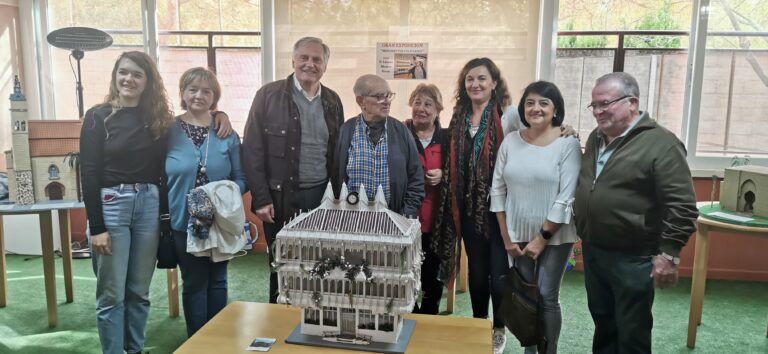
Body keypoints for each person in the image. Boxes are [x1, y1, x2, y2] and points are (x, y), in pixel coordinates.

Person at [80, 51, 232, 354]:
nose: (129, 79)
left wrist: (219, 114)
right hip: (112, 204)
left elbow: (193, 124)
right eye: (124, 72)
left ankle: (134, 349)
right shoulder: (98, 117)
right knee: (112, 294)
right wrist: (97, 226)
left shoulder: (158, 121)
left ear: (148, 81)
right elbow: (89, 172)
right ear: (115, 75)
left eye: (138, 74)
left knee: (139, 291)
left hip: (148, 205)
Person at [573, 72, 698, 354]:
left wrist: (669, 254)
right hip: (595, 250)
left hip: (634, 257)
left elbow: (682, 206)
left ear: (632, 102)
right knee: (604, 324)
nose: (597, 111)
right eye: (593, 105)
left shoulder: (662, 144)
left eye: (604, 104)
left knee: (632, 331)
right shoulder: (596, 138)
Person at [242, 37, 344, 304]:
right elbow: (252, 149)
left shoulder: (333, 100)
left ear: (325, 65)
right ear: (293, 61)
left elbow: (336, 154)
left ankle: (315, 320)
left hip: (322, 198)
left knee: (319, 264)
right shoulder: (268, 95)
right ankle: (280, 323)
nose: (310, 64)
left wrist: (337, 197)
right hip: (280, 198)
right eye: (304, 58)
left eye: (317, 59)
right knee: (282, 265)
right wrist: (261, 198)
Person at [490, 81, 581, 353]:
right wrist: (507, 239)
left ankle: (548, 351)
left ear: (555, 109)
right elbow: (497, 190)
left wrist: (541, 238)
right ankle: (531, 349)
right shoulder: (512, 140)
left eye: (543, 103)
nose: (535, 108)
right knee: (527, 296)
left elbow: (567, 196)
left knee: (547, 295)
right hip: (516, 234)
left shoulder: (567, 142)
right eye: (530, 102)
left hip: (554, 235)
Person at [432, 57, 513, 354]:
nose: (475, 84)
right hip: (466, 209)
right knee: (478, 273)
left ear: (494, 83)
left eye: (481, 78)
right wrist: (443, 172)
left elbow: (536, 134)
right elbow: (449, 157)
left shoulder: (508, 116)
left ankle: (499, 327)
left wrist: (563, 128)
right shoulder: (458, 117)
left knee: (499, 274)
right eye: (469, 79)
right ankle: (481, 324)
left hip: (500, 211)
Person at [166, 67, 247, 337]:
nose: (199, 95)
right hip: (183, 221)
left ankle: (218, 337)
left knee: (218, 280)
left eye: (206, 91)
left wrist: (221, 197)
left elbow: (241, 178)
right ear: (182, 94)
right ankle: (198, 340)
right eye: (192, 89)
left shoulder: (227, 133)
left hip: (220, 221)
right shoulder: (166, 131)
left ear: (215, 96)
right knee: (194, 281)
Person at [332, 74, 424, 216]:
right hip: (353, 220)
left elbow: (416, 179)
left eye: (388, 95)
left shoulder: (402, 131)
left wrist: (405, 215)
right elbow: (336, 177)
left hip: (394, 220)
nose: (386, 101)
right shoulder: (346, 131)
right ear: (361, 101)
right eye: (379, 96)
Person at [404, 83, 447, 314]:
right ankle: (410, 315)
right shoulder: (399, 132)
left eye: (428, 104)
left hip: (435, 222)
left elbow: (460, 171)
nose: (421, 108)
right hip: (405, 219)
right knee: (404, 273)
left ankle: (429, 318)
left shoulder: (447, 138)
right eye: (417, 102)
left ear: (438, 109)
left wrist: (444, 174)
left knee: (432, 277)